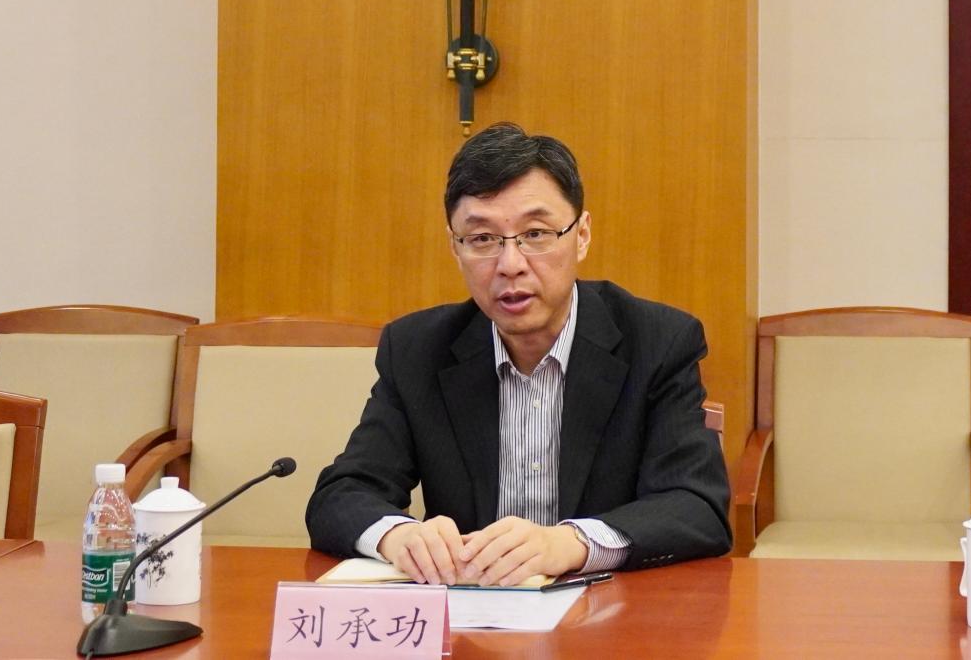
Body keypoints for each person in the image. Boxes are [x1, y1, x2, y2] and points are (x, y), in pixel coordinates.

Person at [306, 122, 731, 587]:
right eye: (482, 239)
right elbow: (342, 494)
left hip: (611, 609)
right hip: (471, 612)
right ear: (455, 247)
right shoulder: (417, 350)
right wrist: (399, 536)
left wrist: (569, 544)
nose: (510, 265)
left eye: (536, 233)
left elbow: (697, 506)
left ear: (581, 235)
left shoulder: (658, 341)